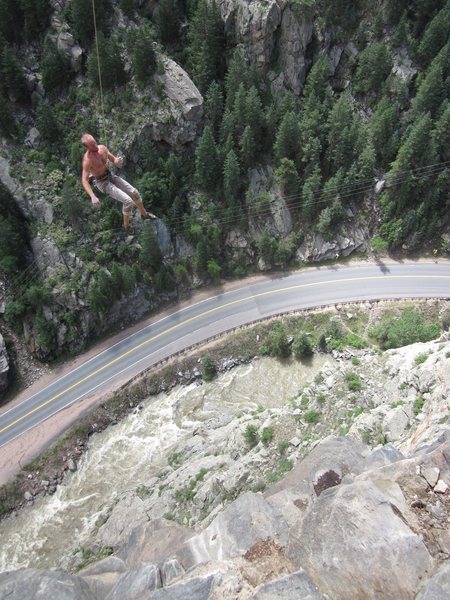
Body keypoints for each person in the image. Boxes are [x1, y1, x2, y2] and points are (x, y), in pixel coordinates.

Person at [81, 133, 156, 230]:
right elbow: (84, 180)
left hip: (110, 176)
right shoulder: (88, 159)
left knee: (135, 193)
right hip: (103, 183)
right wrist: (93, 196)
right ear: (87, 147)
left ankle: (144, 214)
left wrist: (117, 161)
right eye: (92, 145)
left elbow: (113, 159)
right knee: (128, 201)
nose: (95, 145)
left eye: (94, 142)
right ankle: (126, 226)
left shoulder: (102, 148)